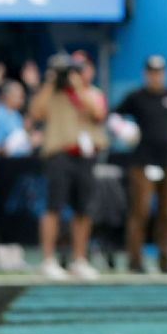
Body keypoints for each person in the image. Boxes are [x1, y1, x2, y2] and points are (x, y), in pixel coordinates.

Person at [113, 54, 167, 273]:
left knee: (166, 212)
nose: (155, 77)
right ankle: (135, 259)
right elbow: (114, 116)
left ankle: (165, 258)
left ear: (164, 74)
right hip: (143, 160)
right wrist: (124, 131)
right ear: (145, 74)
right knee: (140, 211)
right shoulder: (136, 97)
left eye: (159, 73)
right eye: (151, 73)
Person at [28, 53, 108, 280]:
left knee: (84, 209)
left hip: (85, 155)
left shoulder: (92, 92)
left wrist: (78, 87)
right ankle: (48, 259)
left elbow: (98, 113)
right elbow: (35, 112)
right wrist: (51, 81)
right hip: (59, 154)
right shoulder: (53, 94)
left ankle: (79, 260)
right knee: (53, 207)